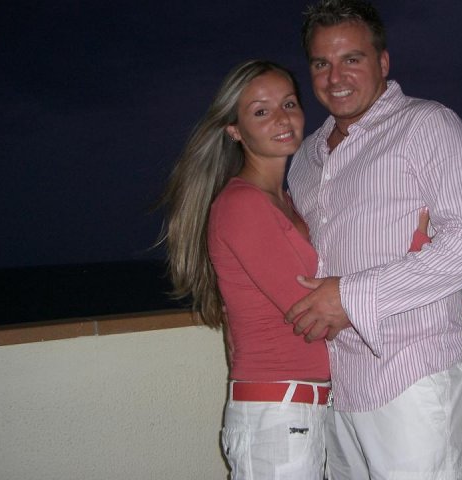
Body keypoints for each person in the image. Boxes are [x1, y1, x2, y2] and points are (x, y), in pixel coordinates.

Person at [285, 1, 462, 479]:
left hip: (411, 376)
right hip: (338, 384)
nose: (335, 77)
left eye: (352, 59)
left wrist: (349, 296)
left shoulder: (427, 125)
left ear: (382, 62)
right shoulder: (304, 159)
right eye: (321, 63)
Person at [158, 60, 330, 479]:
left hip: (296, 409)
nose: (282, 119)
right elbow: (315, 316)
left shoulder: (285, 200)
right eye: (261, 111)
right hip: (278, 413)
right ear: (234, 129)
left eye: (289, 104)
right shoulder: (243, 205)